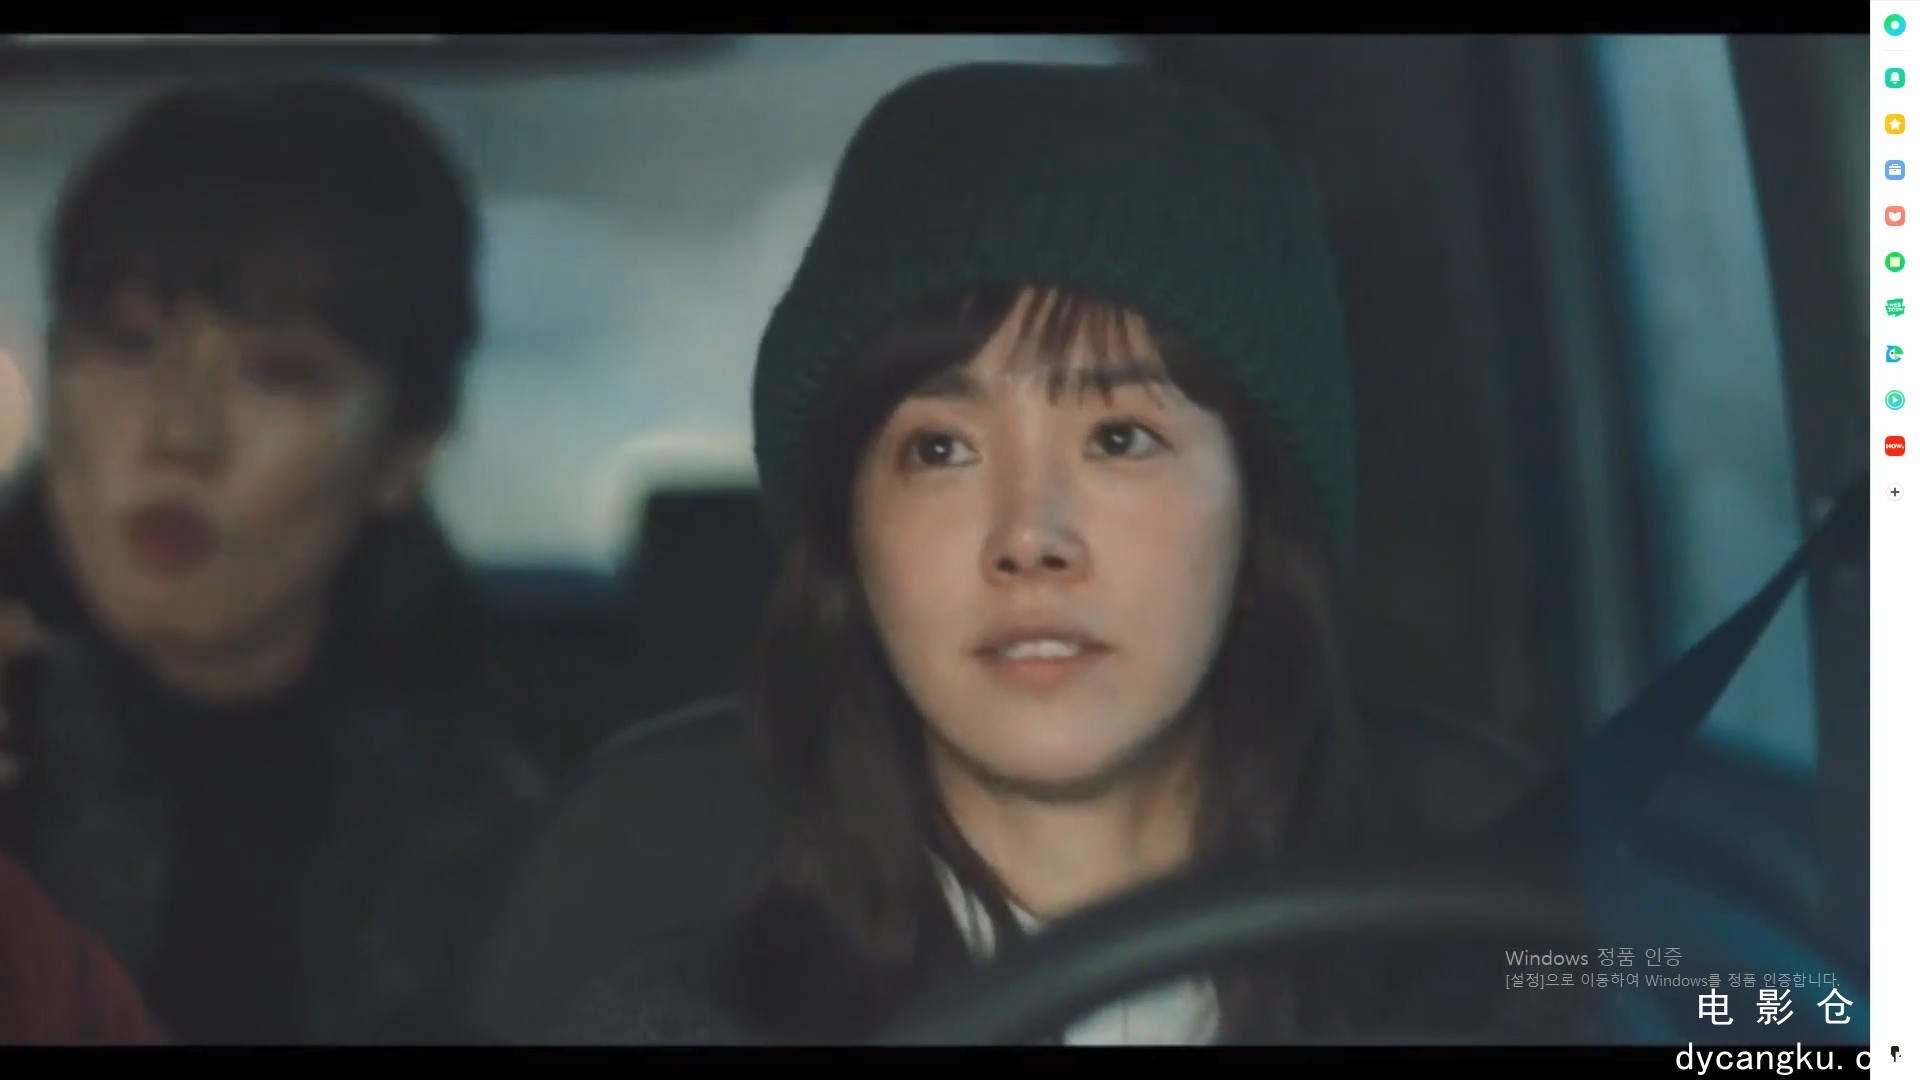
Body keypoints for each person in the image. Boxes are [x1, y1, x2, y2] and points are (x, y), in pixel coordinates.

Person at [534, 62, 1600, 1046]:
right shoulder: (666, 1030)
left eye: (1120, 439)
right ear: (852, 547)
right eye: (940, 450)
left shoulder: (1536, 991)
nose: (1030, 538)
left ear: (1258, 519)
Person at [0, 78, 545, 1044]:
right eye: (129, 347)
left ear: (405, 447)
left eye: (280, 374)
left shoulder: (495, 833)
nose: (181, 433)